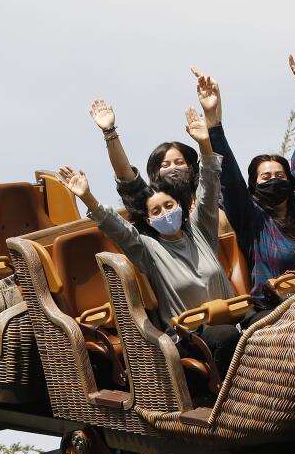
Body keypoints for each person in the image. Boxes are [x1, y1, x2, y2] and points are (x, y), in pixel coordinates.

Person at [58, 109, 240, 373]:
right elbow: (117, 228)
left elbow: (209, 186)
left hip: (231, 316)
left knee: (269, 320)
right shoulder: (148, 249)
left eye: (169, 205)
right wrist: (88, 198)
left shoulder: (200, 231)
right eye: (157, 211)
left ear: (180, 205)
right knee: (228, 338)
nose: (165, 213)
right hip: (192, 336)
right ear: (148, 219)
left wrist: (205, 144)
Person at [195, 57, 295, 306]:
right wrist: (213, 123)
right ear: (254, 185)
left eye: (280, 176)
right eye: (266, 177)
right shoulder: (253, 219)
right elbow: (229, 178)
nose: (274, 180)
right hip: (281, 308)